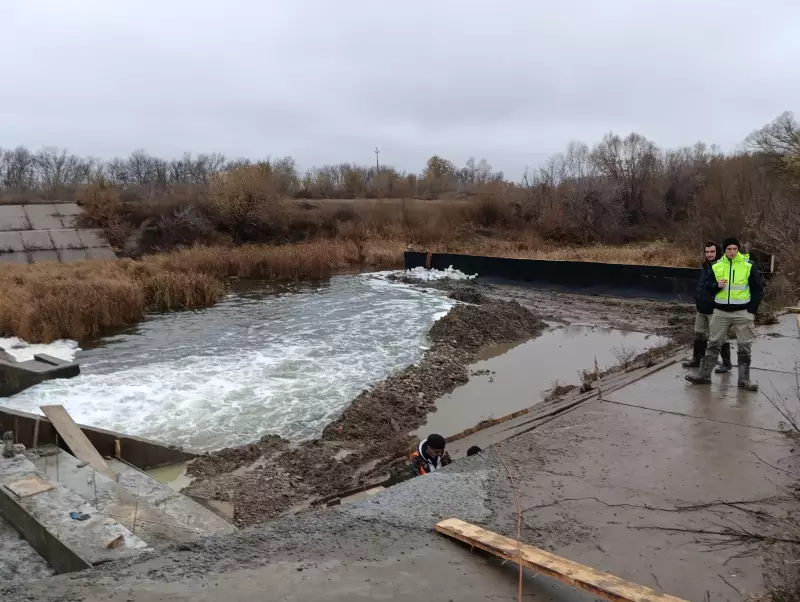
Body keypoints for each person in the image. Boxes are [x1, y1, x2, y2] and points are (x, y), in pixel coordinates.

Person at [686, 237, 764, 391]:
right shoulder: (717, 266)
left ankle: (744, 380)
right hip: (720, 312)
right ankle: (704, 376)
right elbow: (707, 287)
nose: (732, 252)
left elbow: (758, 289)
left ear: (738, 249)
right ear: (725, 250)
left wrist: (751, 311)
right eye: (729, 249)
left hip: (742, 312)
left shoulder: (748, 265)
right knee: (713, 343)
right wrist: (717, 285)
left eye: (735, 249)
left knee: (744, 346)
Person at [682, 242, 732, 373]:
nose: (709, 254)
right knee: (699, 334)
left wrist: (714, 296)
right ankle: (697, 359)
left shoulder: (722, 267)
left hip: (715, 308)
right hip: (701, 308)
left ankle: (726, 363)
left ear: (718, 252)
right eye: (707, 252)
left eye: (712, 252)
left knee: (718, 337)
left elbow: (724, 286)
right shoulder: (706, 267)